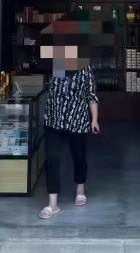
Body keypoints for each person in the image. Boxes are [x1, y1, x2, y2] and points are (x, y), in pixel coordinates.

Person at [38, 44, 99, 219]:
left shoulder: (85, 69)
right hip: (54, 120)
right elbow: (39, 53)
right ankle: (52, 204)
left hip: (77, 120)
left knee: (79, 155)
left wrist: (94, 120)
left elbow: (91, 96)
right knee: (52, 158)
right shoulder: (55, 65)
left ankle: (80, 189)